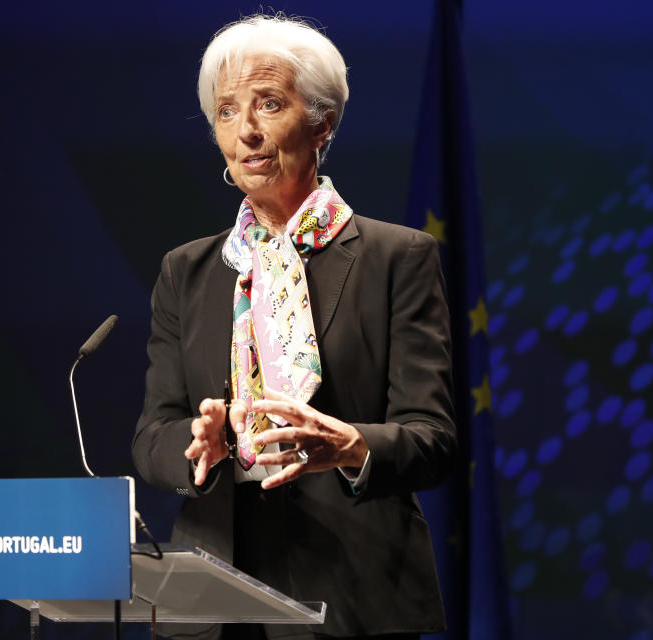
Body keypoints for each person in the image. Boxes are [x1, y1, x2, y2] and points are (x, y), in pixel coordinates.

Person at [132, 14, 455, 640]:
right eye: (226, 112)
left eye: (269, 104)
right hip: (211, 596)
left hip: (354, 595)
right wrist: (198, 447)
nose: (246, 131)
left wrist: (351, 446)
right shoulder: (188, 271)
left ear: (322, 122)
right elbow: (153, 435)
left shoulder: (397, 259)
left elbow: (432, 438)